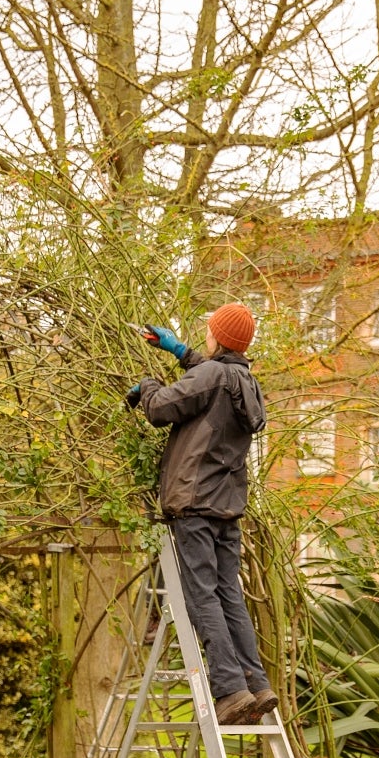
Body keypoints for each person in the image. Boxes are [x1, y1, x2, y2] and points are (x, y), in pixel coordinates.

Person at [124, 302, 278, 727]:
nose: (205, 335)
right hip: (228, 505)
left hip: (195, 502)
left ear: (220, 336)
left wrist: (149, 385)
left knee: (202, 595)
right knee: (229, 591)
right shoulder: (246, 381)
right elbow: (211, 378)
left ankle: (229, 690)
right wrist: (177, 350)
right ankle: (256, 682)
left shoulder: (212, 376)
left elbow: (161, 409)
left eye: (209, 329)